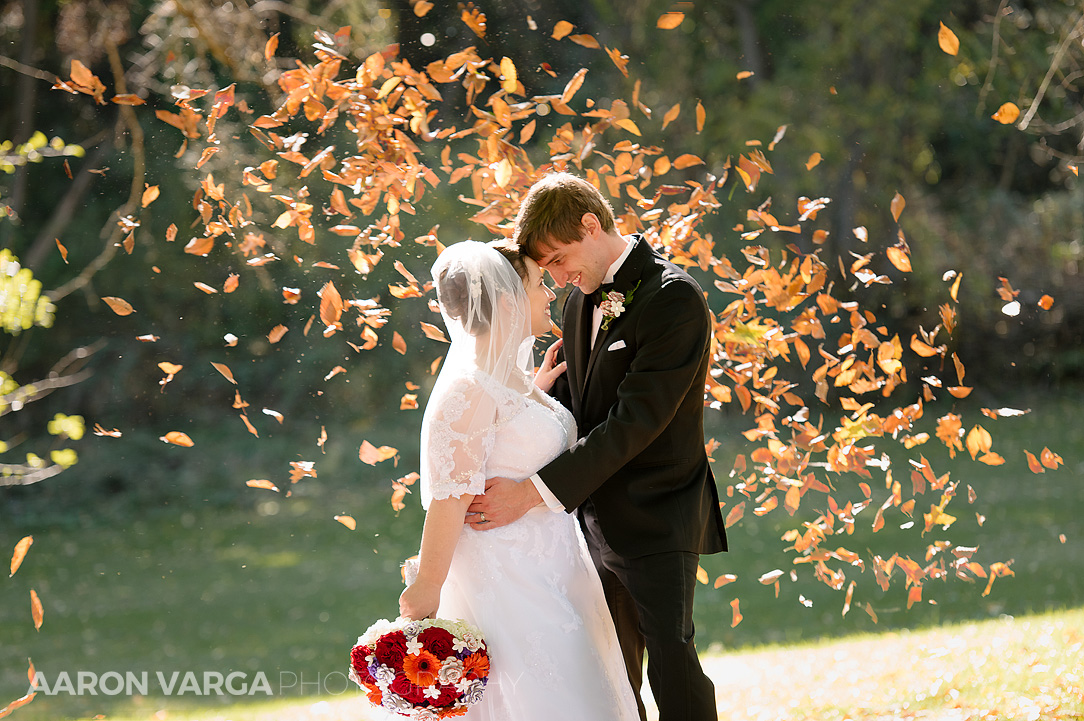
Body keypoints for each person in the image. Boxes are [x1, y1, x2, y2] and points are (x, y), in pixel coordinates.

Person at [466, 172, 728, 721]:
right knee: (611, 672)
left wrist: (533, 493)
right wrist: (534, 398)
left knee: (673, 665)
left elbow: (636, 422)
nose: (558, 277)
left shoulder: (673, 299)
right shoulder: (581, 301)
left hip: (658, 513)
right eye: (550, 269)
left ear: (591, 224)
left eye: (560, 259)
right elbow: (581, 408)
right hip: (587, 521)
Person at [398, 239, 640, 721]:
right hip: (506, 580)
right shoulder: (466, 393)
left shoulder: (509, 381)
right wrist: (424, 590)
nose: (550, 293)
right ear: (507, 299)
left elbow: (507, 440)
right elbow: (449, 502)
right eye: (537, 284)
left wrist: (536, 397)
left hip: (556, 565)